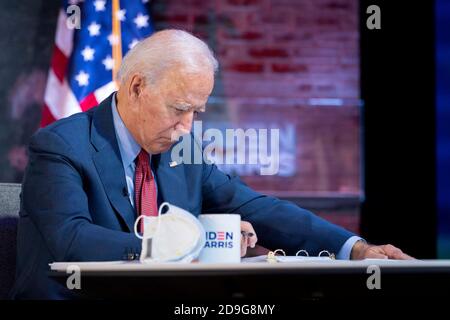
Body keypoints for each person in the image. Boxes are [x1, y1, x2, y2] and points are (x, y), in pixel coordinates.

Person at [10, 29, 411, 300]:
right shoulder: (60, 145)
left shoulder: (182, 149)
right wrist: (188, 244)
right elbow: (72, 239)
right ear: (136, 88)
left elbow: (255, 207)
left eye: (196, 112)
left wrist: (354, 248)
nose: (187, 128)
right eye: (179, 109)